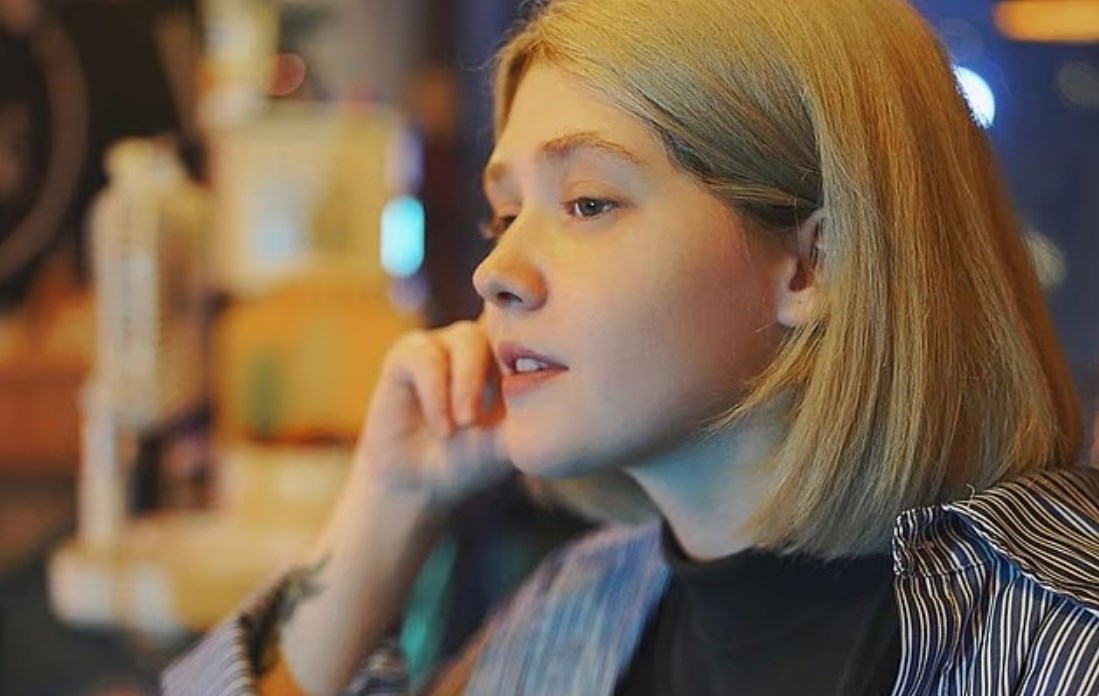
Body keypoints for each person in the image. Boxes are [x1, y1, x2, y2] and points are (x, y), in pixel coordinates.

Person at [163, 0, 1099, 694]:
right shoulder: (573, 612)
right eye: (504, 214)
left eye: (587, 203)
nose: (496, 272)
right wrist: (385, 511)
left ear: (814, 264)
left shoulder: (1056, 644)